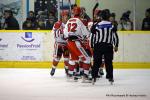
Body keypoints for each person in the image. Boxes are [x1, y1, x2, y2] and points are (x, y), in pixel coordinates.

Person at [90, 10, 119, 85]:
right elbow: (115, 36)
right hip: (108, 46)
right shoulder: (111, 25)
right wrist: (116, 45)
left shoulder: (96, 25)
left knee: (96, 62)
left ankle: (94, 76)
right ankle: (110, 77)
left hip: (98, 46)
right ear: (108, 17)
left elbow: (92, 37)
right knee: (108, 62)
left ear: (101, 17)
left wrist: (92, 46)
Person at [64, 7, 91, 82]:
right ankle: (85, 77)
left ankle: (70, 76)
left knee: (73, 59)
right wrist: (87, 34)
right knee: (87, 58)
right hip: (76, 42)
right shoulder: (79, 21)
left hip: (69, 42)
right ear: (80, 13)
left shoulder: (69, 20)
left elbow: (65, 34)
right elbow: (86, 33)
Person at [50, 10, 70, 76]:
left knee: (67, 58)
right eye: (65, 16)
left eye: (67, 16)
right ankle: (53, 68)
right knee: (57, 58)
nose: (66, 17)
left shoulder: (69, 24)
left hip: (66, 44)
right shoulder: (57, 23)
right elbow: (53, 33)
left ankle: (67, 70)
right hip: (59, 44)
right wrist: (60, 31)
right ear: (62, 16)